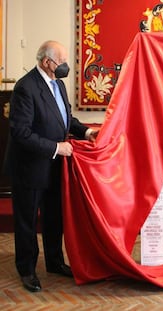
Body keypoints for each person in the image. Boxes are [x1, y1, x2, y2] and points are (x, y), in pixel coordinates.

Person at [7, 40, 98, 292]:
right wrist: (57, 148)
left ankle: (55, 262)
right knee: (27, 221)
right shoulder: (25, 87)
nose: (65, 66)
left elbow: (67, 118)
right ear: (47, 62)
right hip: (29, 168)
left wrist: (86, 131)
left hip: (54, 168)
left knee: (53, 217)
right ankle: (26, 270)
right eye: (61, 62)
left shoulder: (58, 84)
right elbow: (20, 133)